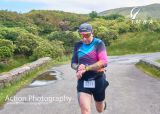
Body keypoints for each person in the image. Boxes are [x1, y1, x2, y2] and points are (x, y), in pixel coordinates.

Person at [71, 23, 109, 114]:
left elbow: (104, 62)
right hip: (83, 80)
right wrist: (78, 67)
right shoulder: (78, 45)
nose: (84, 38)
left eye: (87, 35)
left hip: (98, 79)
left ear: (92, 33)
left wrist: (87, 68)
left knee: (100, 109)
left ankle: (103, 104)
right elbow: (73, 63)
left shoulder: (98, 43)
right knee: (85, 110)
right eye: (82, 36)